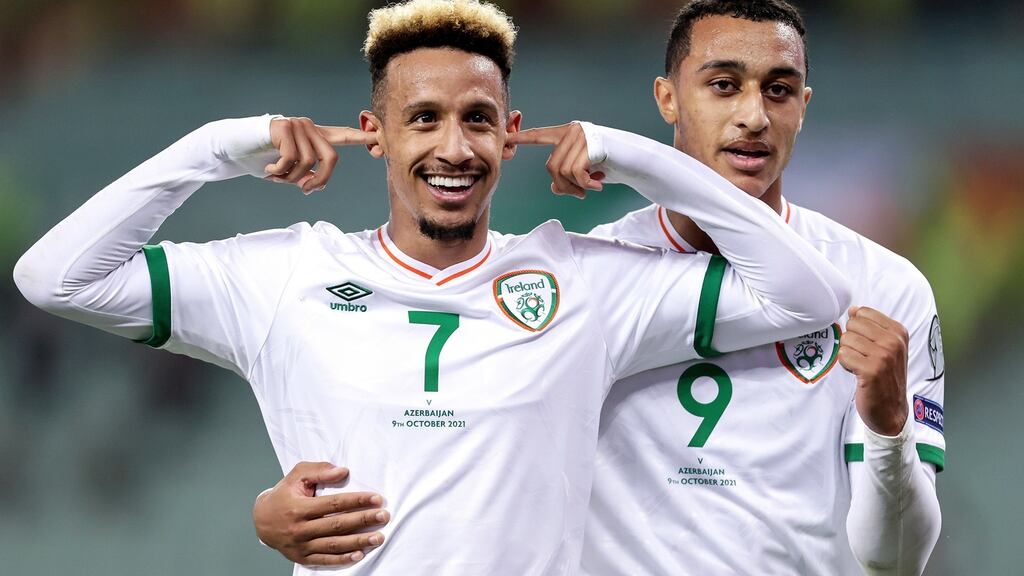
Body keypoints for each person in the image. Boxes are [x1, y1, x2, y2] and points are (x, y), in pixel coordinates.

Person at [14, 0, 851, 573]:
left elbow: (803, 299)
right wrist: (214, 148)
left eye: (478, 119)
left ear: (513, 133)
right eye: (424, 118)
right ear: (374, 135)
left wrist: (635, 157)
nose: (455, 147)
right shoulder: (287, 275)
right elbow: (54, 276)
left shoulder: (580, 281)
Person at [252, 1, 942, 574]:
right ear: (666, 98)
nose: (754, 115)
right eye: (724, 85)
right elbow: (439, 434)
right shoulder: (577, 276)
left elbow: (897, 561)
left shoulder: (882, 287)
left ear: (804, 106)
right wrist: (281, 512)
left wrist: (888, 430)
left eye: (779, 89)